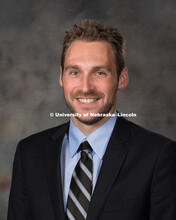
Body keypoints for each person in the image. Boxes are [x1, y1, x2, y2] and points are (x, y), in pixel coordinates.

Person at [7, 19, 176, 220]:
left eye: (99, 72)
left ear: (122, 78)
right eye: (75, 72)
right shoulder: (29, 153)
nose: (86, 87)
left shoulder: (159, 156)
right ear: (61, 77)